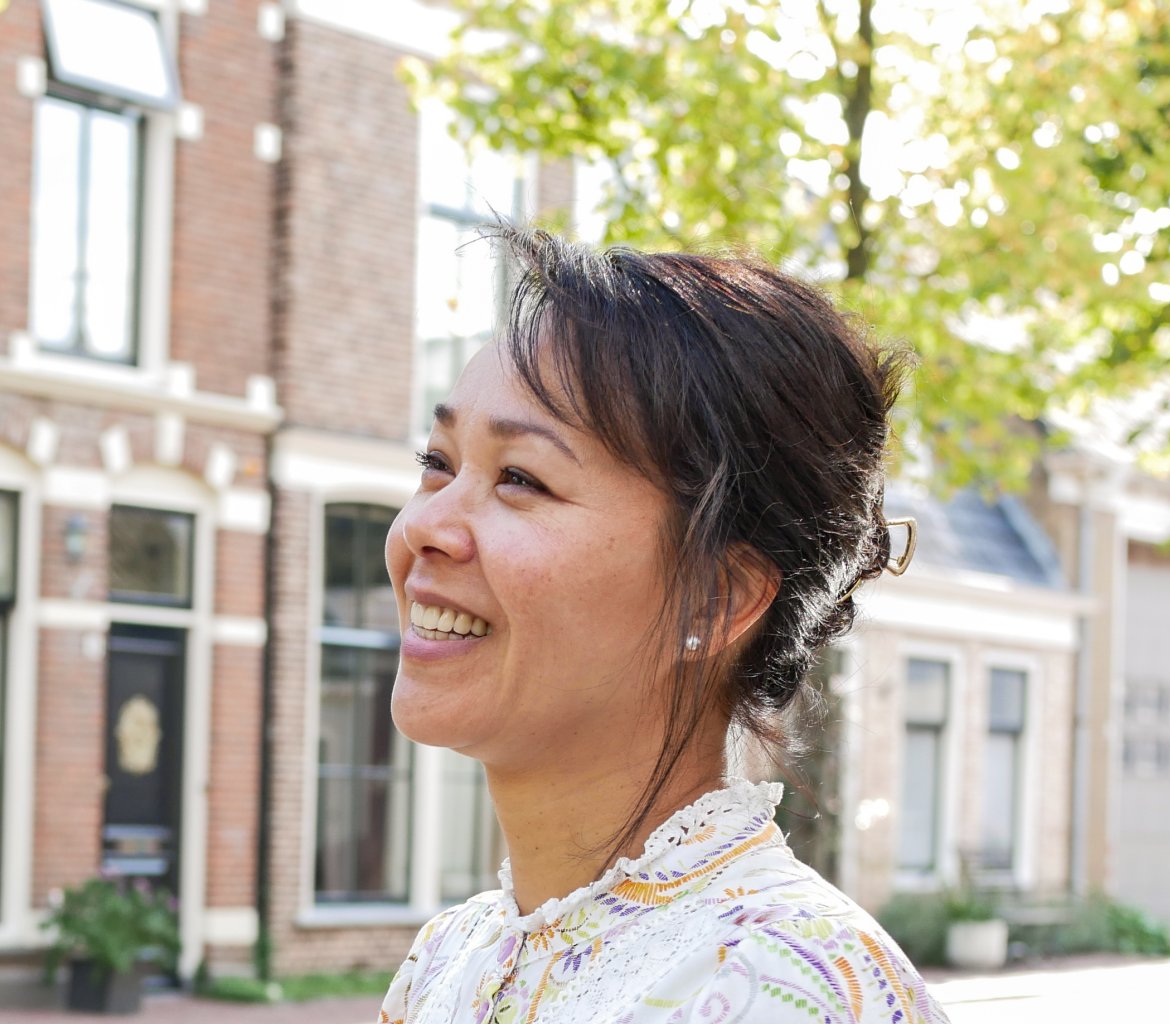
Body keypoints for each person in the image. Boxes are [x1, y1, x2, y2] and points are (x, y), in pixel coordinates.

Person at [379, 229, 947, 1024]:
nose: (424, 527)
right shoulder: (449, 961)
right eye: (436, 463)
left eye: (520, 479)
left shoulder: (783, 982)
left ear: (718, 596)